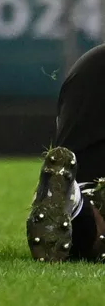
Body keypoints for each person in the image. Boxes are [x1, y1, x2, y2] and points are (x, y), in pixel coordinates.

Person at [27, 44, 105, 262]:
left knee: (90, 200)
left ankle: (76, 201)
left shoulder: (93, 61)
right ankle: (79, 207)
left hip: (89, 78)